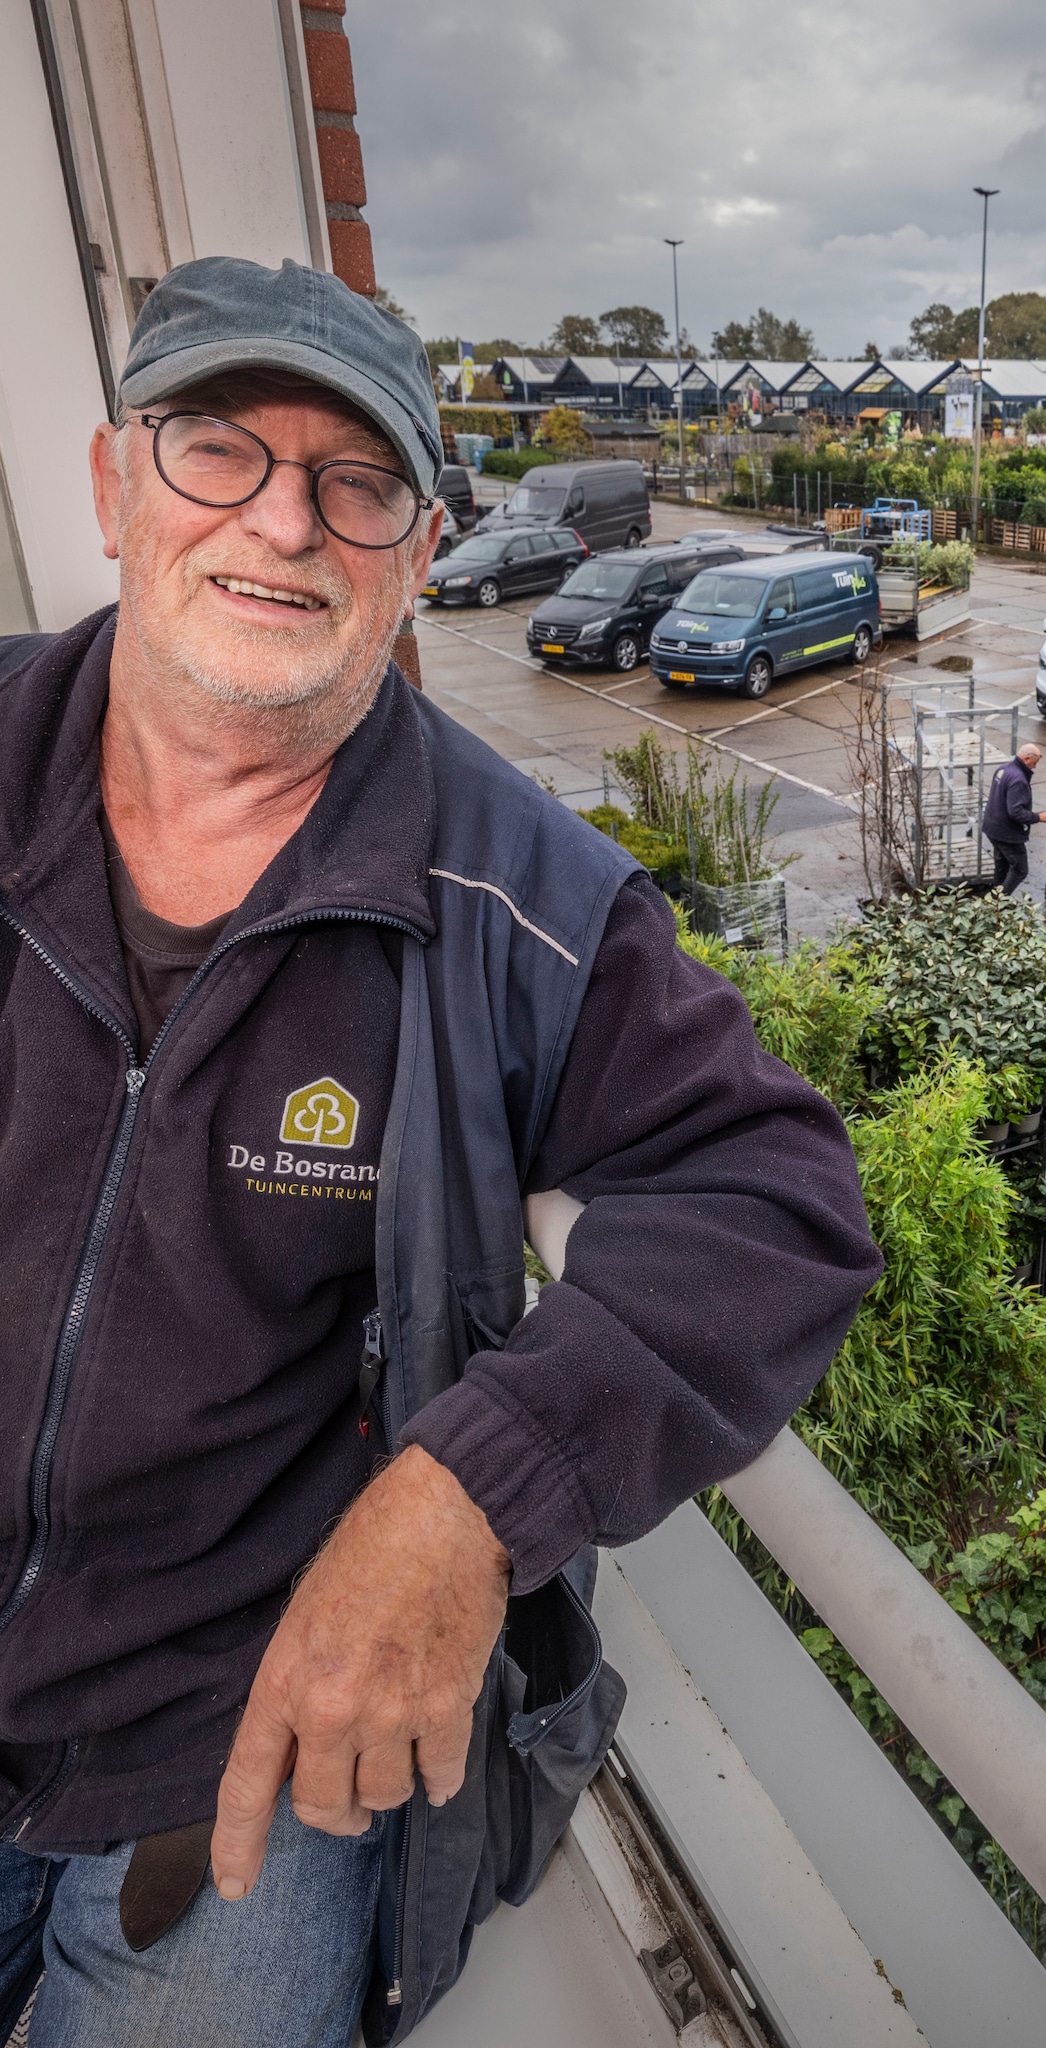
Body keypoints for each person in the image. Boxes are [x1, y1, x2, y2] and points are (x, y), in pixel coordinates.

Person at [0, 257, 881, 2046]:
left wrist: (475, 1488)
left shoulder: (516, 895)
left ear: (413, 556)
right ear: (112, 484)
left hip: (229, 1720)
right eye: (219, 452)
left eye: (357, 482)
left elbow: (777, 1199)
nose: (282, 523)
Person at [981, 740, 1046, 895]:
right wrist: (1038, 817)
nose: (1035, 767)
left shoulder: (1003, 769)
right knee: (1020, 869)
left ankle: (994, 900)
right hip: (1007, 834)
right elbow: (1015, 812)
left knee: (1002, 866)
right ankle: (1000, 902)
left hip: (992, 828)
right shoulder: (1019, 779)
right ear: (1026, 759)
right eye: (1034, 763)